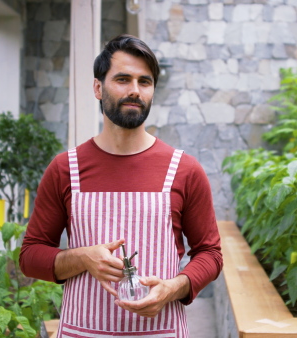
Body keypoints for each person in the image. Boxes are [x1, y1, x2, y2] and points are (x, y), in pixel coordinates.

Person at [19, 34, 223, 338]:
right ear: (98, 88)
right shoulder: (65, 169)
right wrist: (82, 257)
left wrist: (173, 288)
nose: (135, 91)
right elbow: (30, 257)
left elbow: (210, 253)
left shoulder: (184, 170)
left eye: (145, 82)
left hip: (161, 332)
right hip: (82, 332)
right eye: (123, 79)